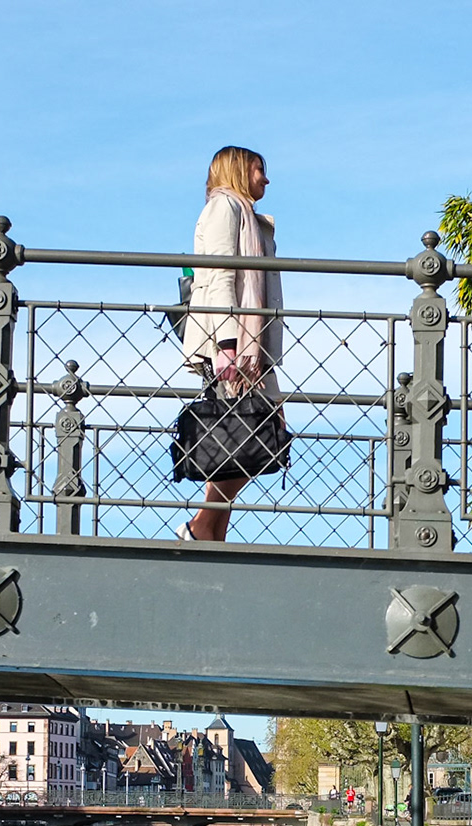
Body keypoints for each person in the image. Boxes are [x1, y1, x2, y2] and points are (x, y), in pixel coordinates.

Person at [180, 145, 284, 542]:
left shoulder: (247, 215)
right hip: (233, 343)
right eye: (260, 169)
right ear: (241, 170)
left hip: (251, 345)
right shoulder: (226, 208)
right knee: (250, 432)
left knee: (253, 434)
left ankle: (210, 527)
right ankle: (204, 526)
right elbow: (221, 274)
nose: (266, 179)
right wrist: (226, 344)